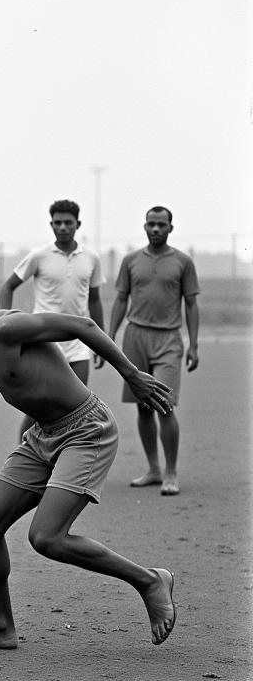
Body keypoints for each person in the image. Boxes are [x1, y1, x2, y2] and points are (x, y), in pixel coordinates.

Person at [0, 271, 178, 650]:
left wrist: (132, 375)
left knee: (46, 537)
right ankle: (1, 626)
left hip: (86, 430)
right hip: (42, 436)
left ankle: (149, 580)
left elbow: (83, 325)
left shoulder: (9, 328)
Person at [107, 206, 200, 496]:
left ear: (171, 228)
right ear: (144, 227)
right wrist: (109, 338)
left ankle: (171, 472)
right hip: (135, 336)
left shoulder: (183, 262)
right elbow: (121, 299)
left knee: (165, 405)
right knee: (143, 406)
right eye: (151, 224)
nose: (156, 229)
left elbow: (191, 304)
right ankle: (153, 469)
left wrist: (194, 344)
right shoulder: (131, 260)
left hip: (169, 339)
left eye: (162, 224)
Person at [0, 199, 104, 438]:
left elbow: (95, 300)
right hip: (44, 342)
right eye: (58, 223)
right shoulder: (39, 256)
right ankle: (23, 454)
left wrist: (101, 340)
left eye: (68, 223)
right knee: (38, 406)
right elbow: (8, 287)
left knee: (78, 405)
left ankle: (64, 462)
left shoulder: (91, 258)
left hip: (78, 342)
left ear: (78, 224)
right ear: (51, 225)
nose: (63, 227)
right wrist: (4, 324)